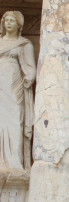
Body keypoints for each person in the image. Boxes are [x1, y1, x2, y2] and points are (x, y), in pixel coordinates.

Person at [0, 11, 36, 171]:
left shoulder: (24, 44)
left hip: (14, 85)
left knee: (15, 120)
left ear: (19, 25)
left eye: (12, 20)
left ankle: (14, 161)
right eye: (6, 20)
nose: (8, 23)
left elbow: (31, 67)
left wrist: (29, 77)